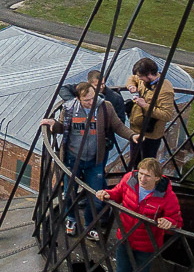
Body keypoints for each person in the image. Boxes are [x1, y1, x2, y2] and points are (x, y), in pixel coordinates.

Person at [43, 81, 136, 240]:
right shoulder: (70, 108)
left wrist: (132, 135)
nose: (91, 102)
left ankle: (90, 225)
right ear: (78, 98)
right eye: (87, 100)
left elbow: (118, 126)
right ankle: (71, 219)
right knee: (69, 193)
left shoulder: (105, 107)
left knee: (96, 195)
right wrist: (54, 124)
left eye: (93, 98)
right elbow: (64, 128)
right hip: (73, 158)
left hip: (95, 159)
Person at [96, 158, 183, 272]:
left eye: (148, 176)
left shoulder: (166, 195)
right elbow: (118, 192)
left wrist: (169, 222)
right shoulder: (130, 179)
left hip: (147, 246)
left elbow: (177, 219)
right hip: (126, 239)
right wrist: (107, 193)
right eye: (141, 174)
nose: (142, 179)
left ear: (158, 178)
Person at [126, 57, 177, 171]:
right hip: (136, 131)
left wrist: (145, 106)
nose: (139, 79)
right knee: (135, 163)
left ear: (149, 74)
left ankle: (144, 186)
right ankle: (134, 185)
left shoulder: (165, 90)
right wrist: (131, 86)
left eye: (141, 77)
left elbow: (167, 115)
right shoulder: (144, 79)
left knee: (146, 167)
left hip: (150, 136)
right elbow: (132, 78)